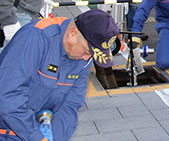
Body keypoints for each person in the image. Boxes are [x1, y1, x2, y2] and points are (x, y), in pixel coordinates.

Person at [0, 9, 119, 141]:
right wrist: (36, 137)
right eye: (87, 51)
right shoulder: (35, 37)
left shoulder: (83, 55)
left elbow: (71, 104)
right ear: (73, 34)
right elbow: (8, 96)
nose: (87, 58)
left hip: (36, 128)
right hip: (8, 128)